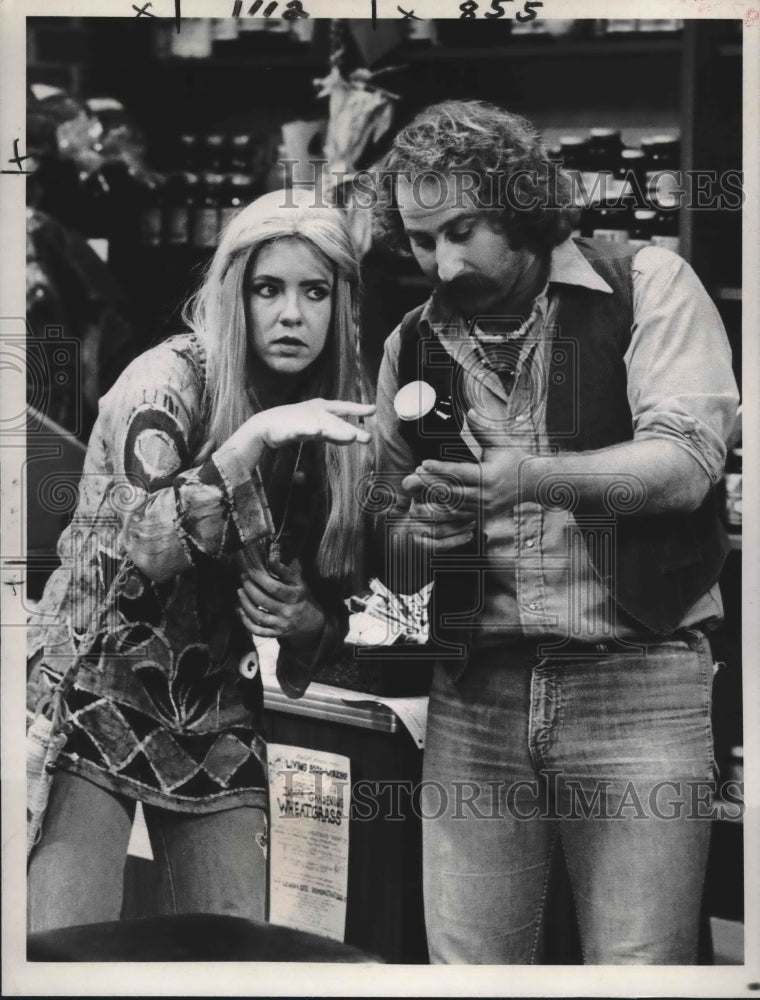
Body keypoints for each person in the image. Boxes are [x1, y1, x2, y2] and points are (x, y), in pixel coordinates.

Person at [370, 100, 739, 964]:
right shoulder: (411, 341)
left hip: (638, 681)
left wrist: (531, 478)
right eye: (423, 239)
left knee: (639, 971)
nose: (443, 262)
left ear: (523, 203)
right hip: (474, 695)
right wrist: (420, 527)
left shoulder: (647, 283)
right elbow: (384, 522)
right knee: (466, 972)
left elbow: (684, 462)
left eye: (463, 228)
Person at [27, 188, 374, 932]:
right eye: (268, 288)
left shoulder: (339, 408)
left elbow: (348, 607)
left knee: (231, 959)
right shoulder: (167, 380)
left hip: (217, 706)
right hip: (93, 688)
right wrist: (252, 441)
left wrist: (309, 619)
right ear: (234, 293)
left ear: (340, 304)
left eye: (314, 291)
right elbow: (148, 543)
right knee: (59, 953)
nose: (291, 313)